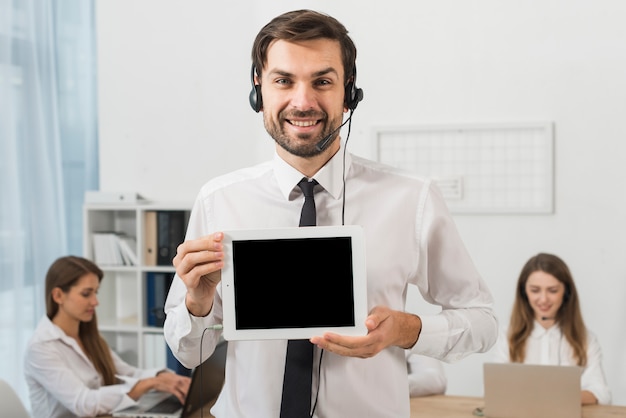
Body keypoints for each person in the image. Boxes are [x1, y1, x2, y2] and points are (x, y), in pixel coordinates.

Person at [164, 9, 497, 417]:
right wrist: (198, 302)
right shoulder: (219, 200)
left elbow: (482, 323)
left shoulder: (412, 197)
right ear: (258, 88)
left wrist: (406, 330)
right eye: (283, 80)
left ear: (349, 91)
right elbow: (190, 353)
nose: (302, 102)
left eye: (322, 81)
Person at [24, 256, 191, 417]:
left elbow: (127, 373)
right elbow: (83, 403)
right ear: (58, 296)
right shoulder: (41, 348)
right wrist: (149, 384)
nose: (95, 302)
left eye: (95, 292)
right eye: (86, 293)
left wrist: (165, 378)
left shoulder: (89, 337)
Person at [492, 253, 611, 405]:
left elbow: (601, 393)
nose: (543, 299)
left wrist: (554, 399)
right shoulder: (508, 335)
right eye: (535, 290)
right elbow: (493, 389)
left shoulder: (585, 338)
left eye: (553, 290)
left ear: (566, 293)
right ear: (524, 292)